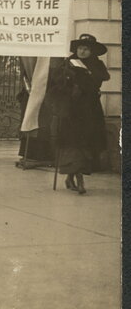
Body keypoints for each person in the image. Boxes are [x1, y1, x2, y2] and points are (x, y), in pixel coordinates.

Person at [47, 34, 110, 195]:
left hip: (89, 109)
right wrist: (66, 81)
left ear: (92, 51)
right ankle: (77, 179)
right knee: (73, 142)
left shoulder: (97, 65)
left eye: (86, 49)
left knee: (86, 142)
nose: (82, 51)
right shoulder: (68, 63)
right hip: (71, 110)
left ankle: (72, 177)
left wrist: (84, 79)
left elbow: (98, 81)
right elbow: (56, 82)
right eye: (80, 48)